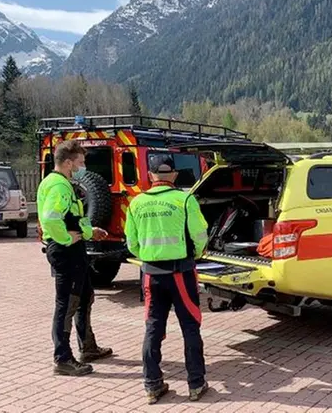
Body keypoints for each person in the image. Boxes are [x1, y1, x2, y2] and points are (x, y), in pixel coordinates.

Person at [124, 155, 210, 404]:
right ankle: (196, 384)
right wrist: (195, 255)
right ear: (174, 174)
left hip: (152, 274)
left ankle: (152, 385)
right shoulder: (185, 200)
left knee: (153, 327)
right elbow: (200, 235)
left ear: (150, 175)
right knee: (190, 326)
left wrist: (149, 257)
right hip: (181, 273)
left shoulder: (136, 203)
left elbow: (132, 243)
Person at [37, 139, 113, 376]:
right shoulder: (59, 186)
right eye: (80, 162)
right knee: (67, 304)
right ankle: (62, 358)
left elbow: (72, 219)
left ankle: (88, 347)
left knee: (84, 297)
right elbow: (50, 219)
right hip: (66, 251)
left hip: (74, 250)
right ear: (68, 163)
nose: (83, 167)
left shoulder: (62, 184)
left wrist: (90, 232)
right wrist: (66, 239)